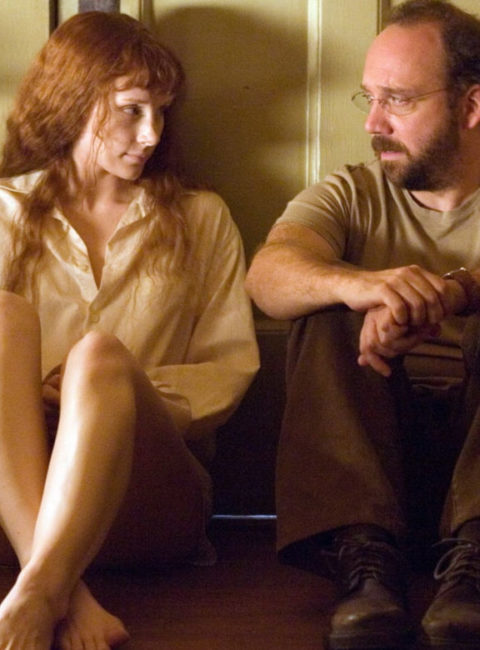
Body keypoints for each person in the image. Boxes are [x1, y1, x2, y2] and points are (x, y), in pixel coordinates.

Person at [0, 10, 259, 650]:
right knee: (2, 316)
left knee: (97, 358)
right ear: (71, 101)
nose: (151, 134)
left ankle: (40, 588)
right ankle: (57, 589)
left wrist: (105, 396)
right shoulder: (4, 210)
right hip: (14, 497)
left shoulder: (200, 218)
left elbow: (228, 366)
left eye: (161, 113)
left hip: (150, 498)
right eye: (132, 110)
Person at [246, 0, 480, 648]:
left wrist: (452, 293)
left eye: (398, 100)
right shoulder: (350, 192)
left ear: (471, 106)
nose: (374, 123)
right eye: (369, 98)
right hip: (372, 464)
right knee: (324, 307)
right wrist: (367, 288)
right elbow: (267, 275)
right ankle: (367, 568)